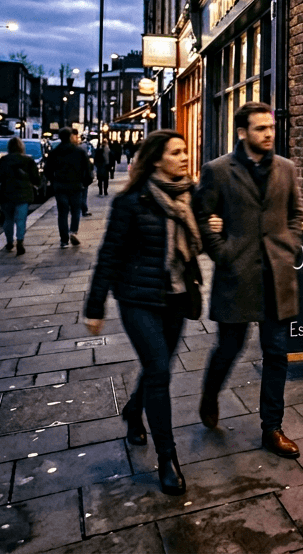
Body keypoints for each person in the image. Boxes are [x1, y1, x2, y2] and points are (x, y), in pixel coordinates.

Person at [84, 130, 205, 497]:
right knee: (159, 371)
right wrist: (95, 305)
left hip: (177, 296)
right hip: (138, 298)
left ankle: (134, 410)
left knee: (158, 368)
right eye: (176, 152)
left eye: (185, 151)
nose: (184, 157)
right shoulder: (131, 201)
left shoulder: (190, 196)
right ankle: (167, 458)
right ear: (156, 159)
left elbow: (204, 240)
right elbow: (109, 254)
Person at [196, 102, 303, 458]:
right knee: (230, 347)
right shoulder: (218, 171)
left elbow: (296, 215)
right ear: (242, 132)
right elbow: (203, 216)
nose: (269, 134)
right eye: (260, 129)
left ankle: (272, 429)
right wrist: (222, 252)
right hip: (236, 275)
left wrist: (290, 246)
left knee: (276, 353)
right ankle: (210, 393)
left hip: (277, 275)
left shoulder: (286, 169)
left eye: (271, 127)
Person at [46, 127, 92, 249]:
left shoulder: (54, 152)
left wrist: (52, 180)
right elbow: (87, 170)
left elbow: (48, 170)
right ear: (71, 136)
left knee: (62, 213)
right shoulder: (79, 152)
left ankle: (64, 240)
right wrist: (86, 182)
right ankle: (73, 231)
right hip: (76, 185)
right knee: (75, 210)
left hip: (60, 185)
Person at [0, 136, 40, 255]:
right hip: (23, 194)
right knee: (21, 219)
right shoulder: (28, 160)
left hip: (7, 194)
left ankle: (9, 241)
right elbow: (36, 178)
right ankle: (20, 240)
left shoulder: (3, 161)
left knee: (8, 219)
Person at [75, 130, 93, 216]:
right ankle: (83, 210)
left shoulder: (77, 148)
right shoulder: (87, 147)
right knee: (83, 194)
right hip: (83, 176)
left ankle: (78, 209)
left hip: (77, 177)